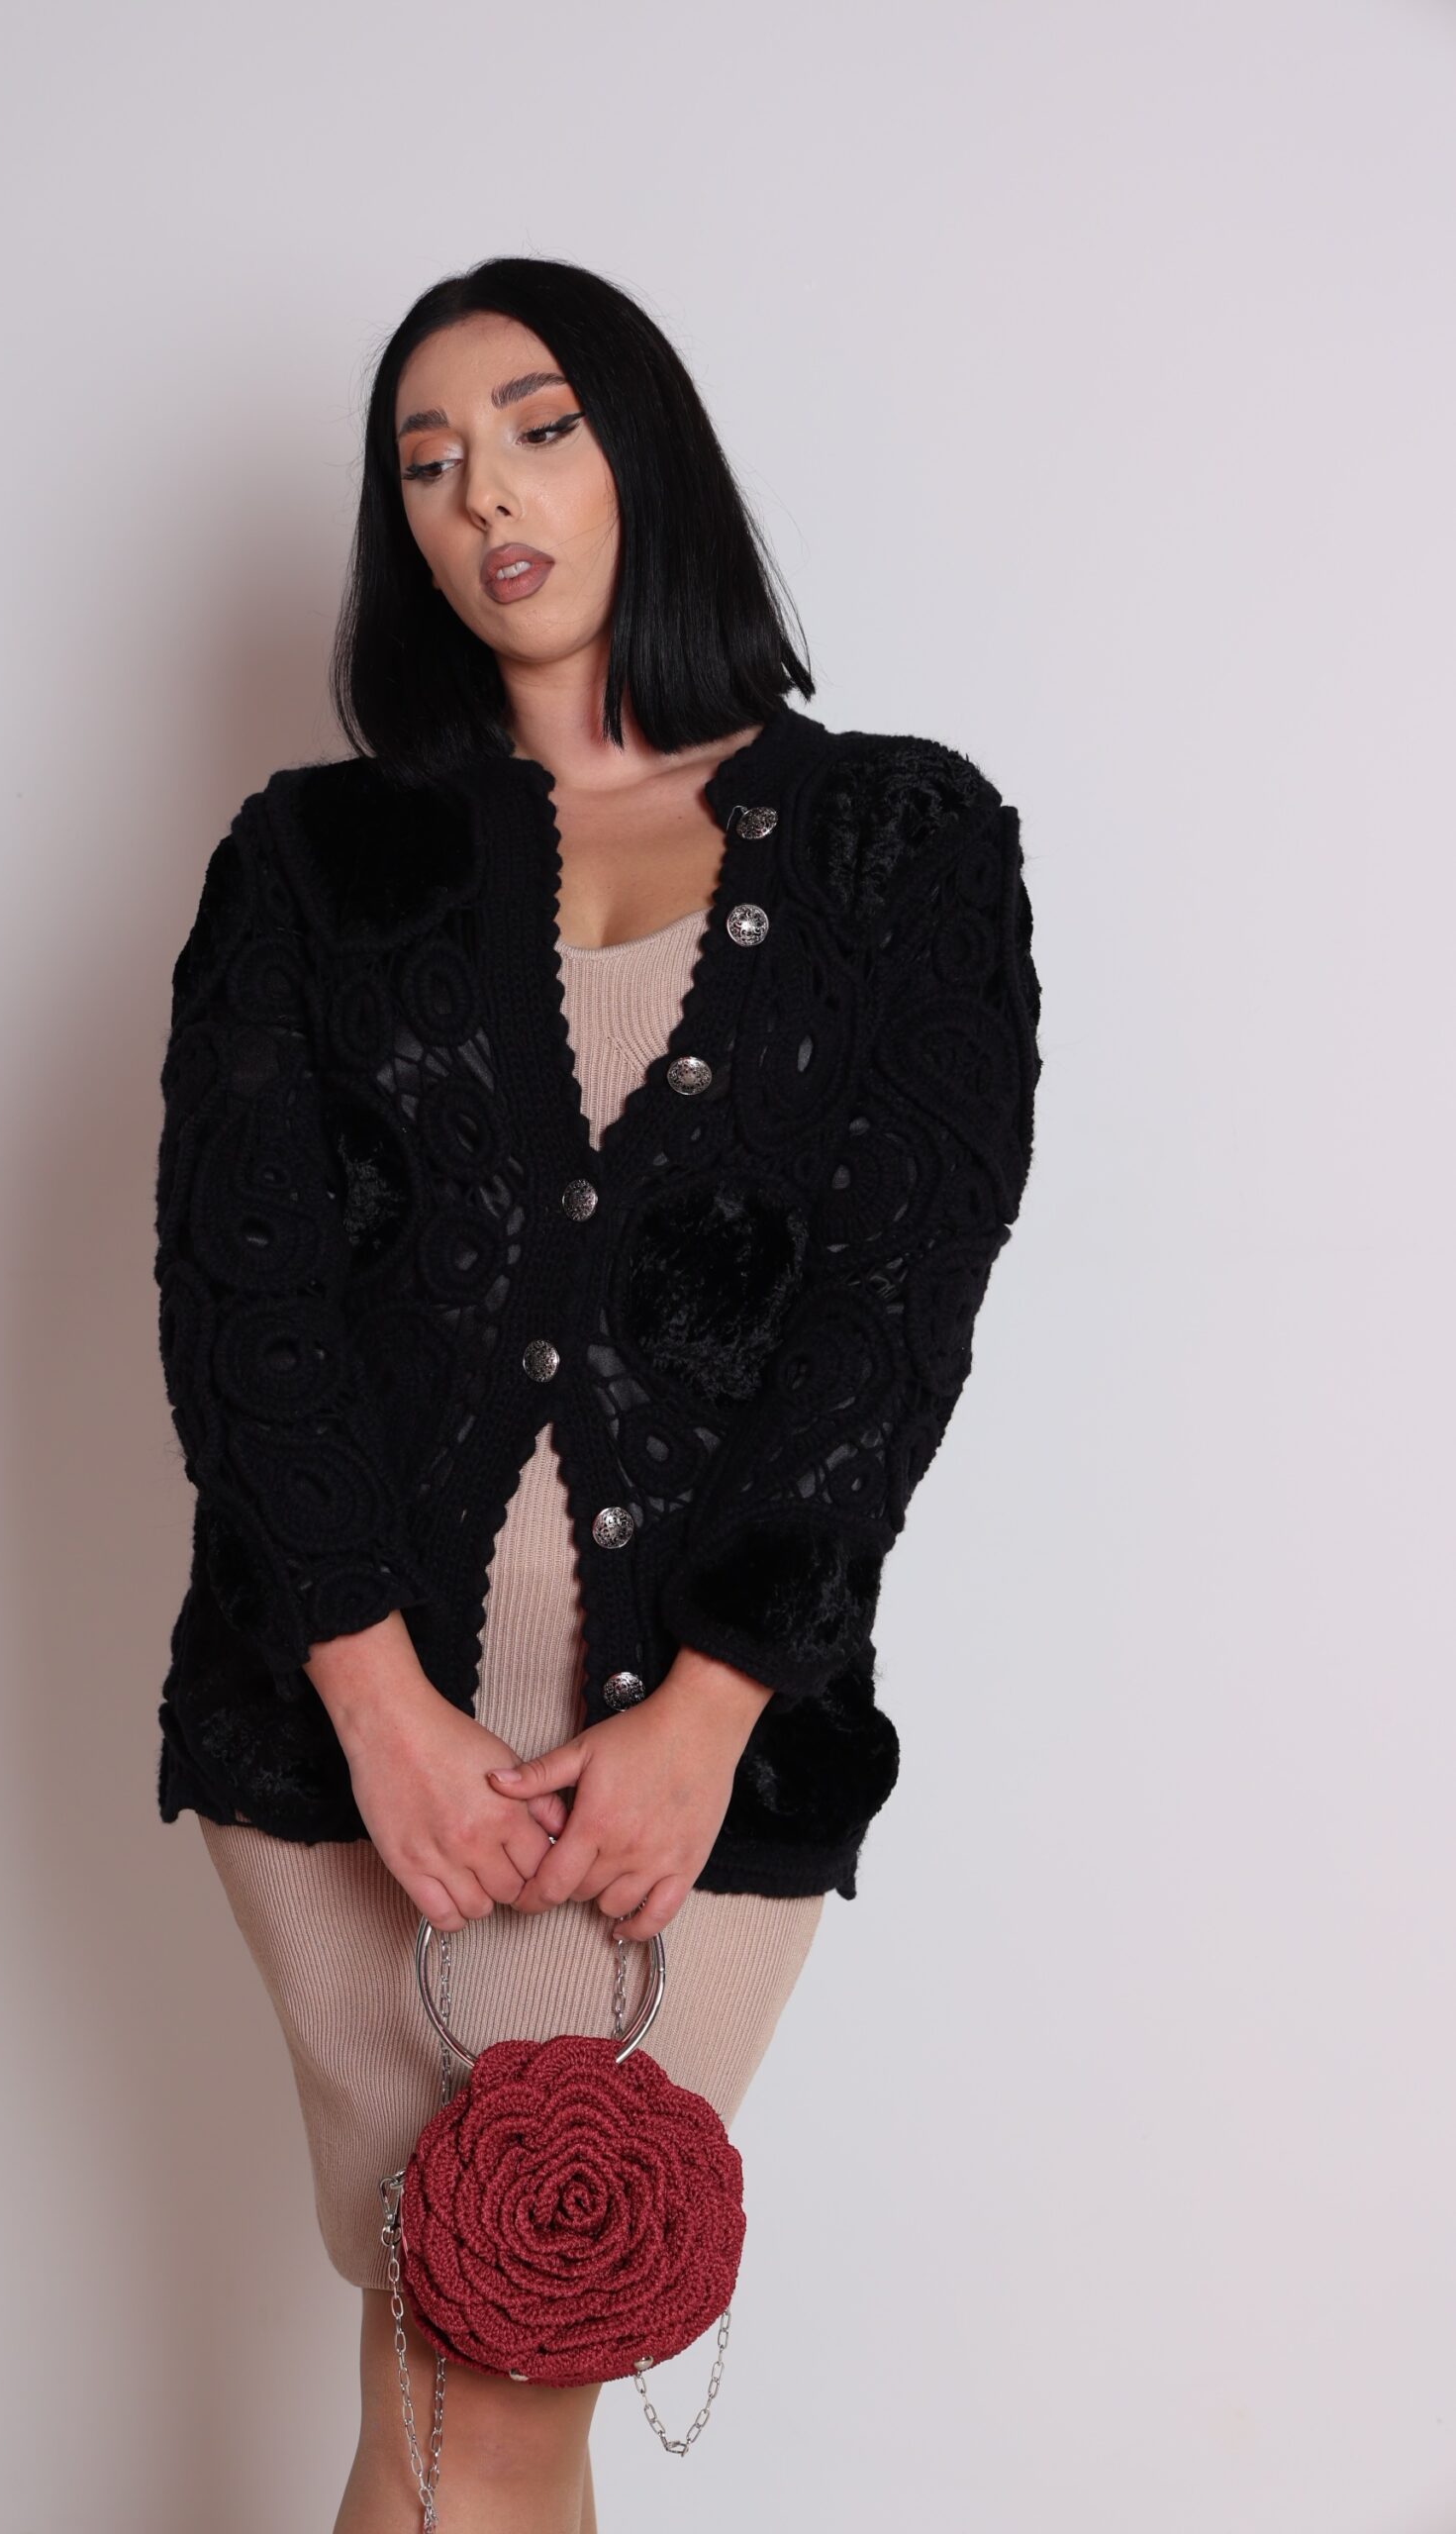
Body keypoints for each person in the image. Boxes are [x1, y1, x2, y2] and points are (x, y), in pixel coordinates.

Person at [151, 254, 1042, 2534]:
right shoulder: (309, 863)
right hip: (350, 1739)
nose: (484, 495)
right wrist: (375, 1703)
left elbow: (892, 1310)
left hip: (683, 1756)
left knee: (493, 2366)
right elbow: (242, 1294)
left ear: (643, 451)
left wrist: (712, 1703)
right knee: (453, 2375)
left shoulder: (900, 843)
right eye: (426, 461)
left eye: (537, 426)